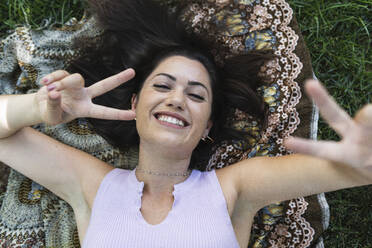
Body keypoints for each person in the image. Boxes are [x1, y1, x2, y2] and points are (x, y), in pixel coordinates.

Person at [0, 0, 371, 247]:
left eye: (196, 95)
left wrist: (361, 157)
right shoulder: (93, 185)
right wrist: (38, 108)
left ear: (207, 126)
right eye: (162, 86)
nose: (177, 98)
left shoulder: (235, 188)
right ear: (135, 102)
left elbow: (359, 170)